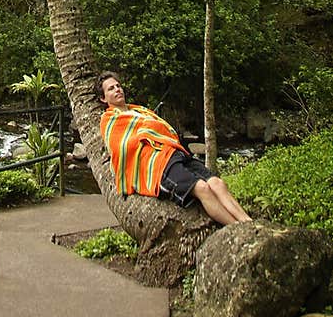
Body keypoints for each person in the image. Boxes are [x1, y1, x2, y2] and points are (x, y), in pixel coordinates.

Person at [97, 70, 251, 226]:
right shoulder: (109, 121)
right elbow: (121, 148)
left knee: (217, 183)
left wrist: (150, 131)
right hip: (158, 165)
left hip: (174, 152)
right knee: (202, 188)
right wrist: (146, 132)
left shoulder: (138, 110)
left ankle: (248, 222)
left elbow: (162, 128)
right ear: (103, 98)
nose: (117, 89)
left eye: (118, 86)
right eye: (111, 88)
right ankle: (237, 227)